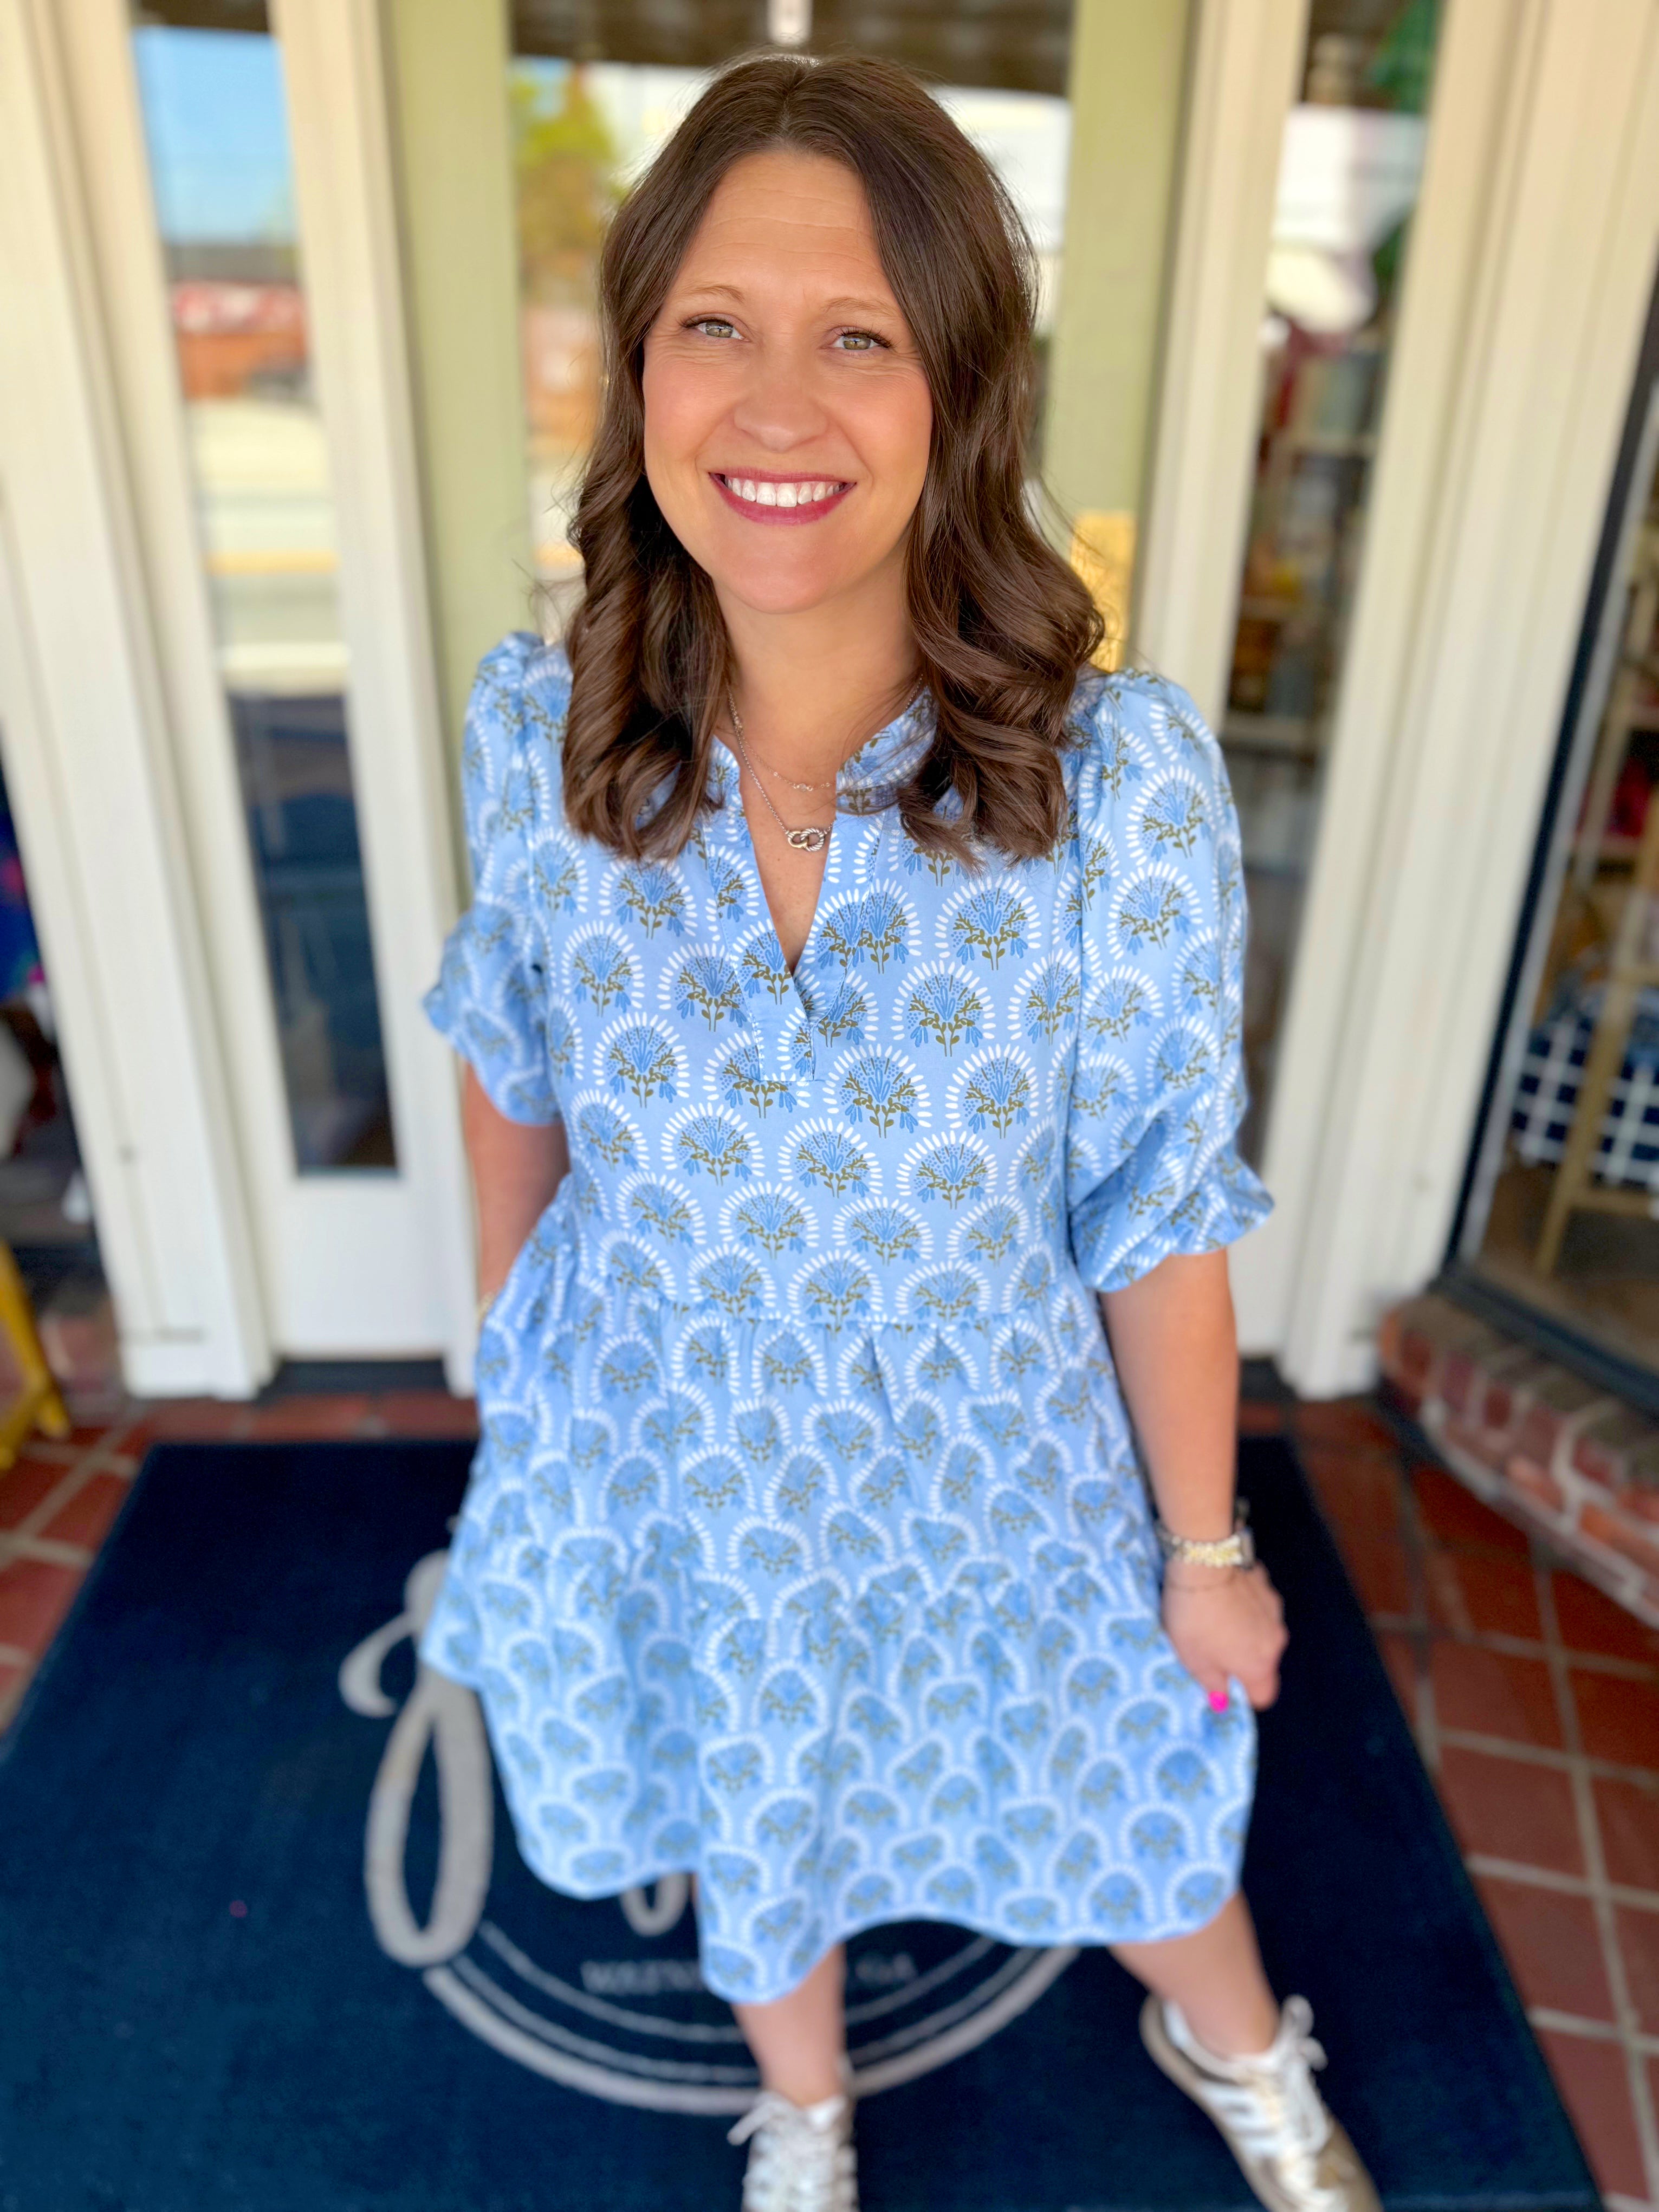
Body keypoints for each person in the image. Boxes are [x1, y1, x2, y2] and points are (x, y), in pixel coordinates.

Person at [421, 51, 1379, 2212]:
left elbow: (1155, 1199)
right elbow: (513, 1056)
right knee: (751, 1804)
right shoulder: (544, 734)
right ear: (638, 366)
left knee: (1131, 1793)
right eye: (716, 325)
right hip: (679, 1442)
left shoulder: (1112, 787)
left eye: (857, 336)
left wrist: (1206, 1551)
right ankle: (808, 2105)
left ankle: (1235, 2044)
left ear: (960, 389)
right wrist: (513, 1360)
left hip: (999, 1464)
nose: (778, 403)